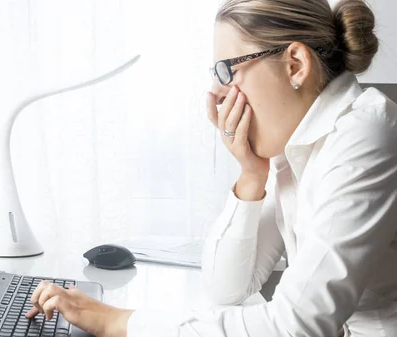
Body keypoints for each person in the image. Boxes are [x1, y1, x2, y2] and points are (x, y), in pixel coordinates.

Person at [25, 0, 397, 335]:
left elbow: (294, 326)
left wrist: (116, 321)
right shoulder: (296, 146)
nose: (218, 94)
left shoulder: (365, 133)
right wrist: (252, 175)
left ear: (295, 65)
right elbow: (226, 287)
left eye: (228, 70)